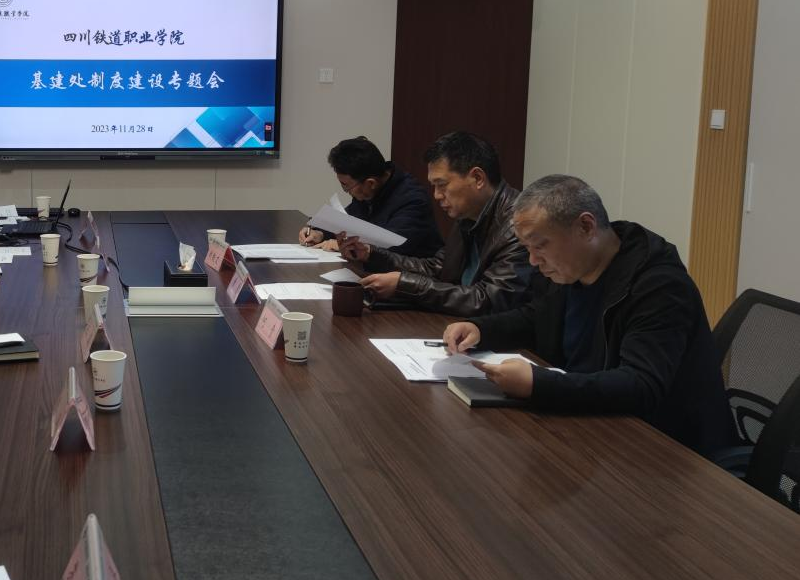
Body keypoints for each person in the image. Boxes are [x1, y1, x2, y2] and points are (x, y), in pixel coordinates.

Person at [442, 175, 736, 455]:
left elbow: (640, 385)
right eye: (527, 248)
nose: (532, 260)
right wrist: (480, 329)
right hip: (592, 426)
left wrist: (539, 385)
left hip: (664, 450)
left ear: (586, 227)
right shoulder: (572, 269)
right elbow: (536, 319)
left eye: (540, 245)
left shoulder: (659, 286)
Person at [337, 132, 531, 315]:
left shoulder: (520, 226)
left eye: (442, 185)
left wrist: (405, 284)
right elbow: (437, 267)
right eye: (434, 186)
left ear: (477, 178)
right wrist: (371, 254)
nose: (437, 195)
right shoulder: (468, 215)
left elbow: (489, 300)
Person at [298, 136, 442, 258]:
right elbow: (348, 222)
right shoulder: (368, 190)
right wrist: (320, 233)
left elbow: (393, 247)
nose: (346, 191)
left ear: (370, 183)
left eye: (346, 186)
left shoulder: (412, 200)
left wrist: (344, 245)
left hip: (411, 276)